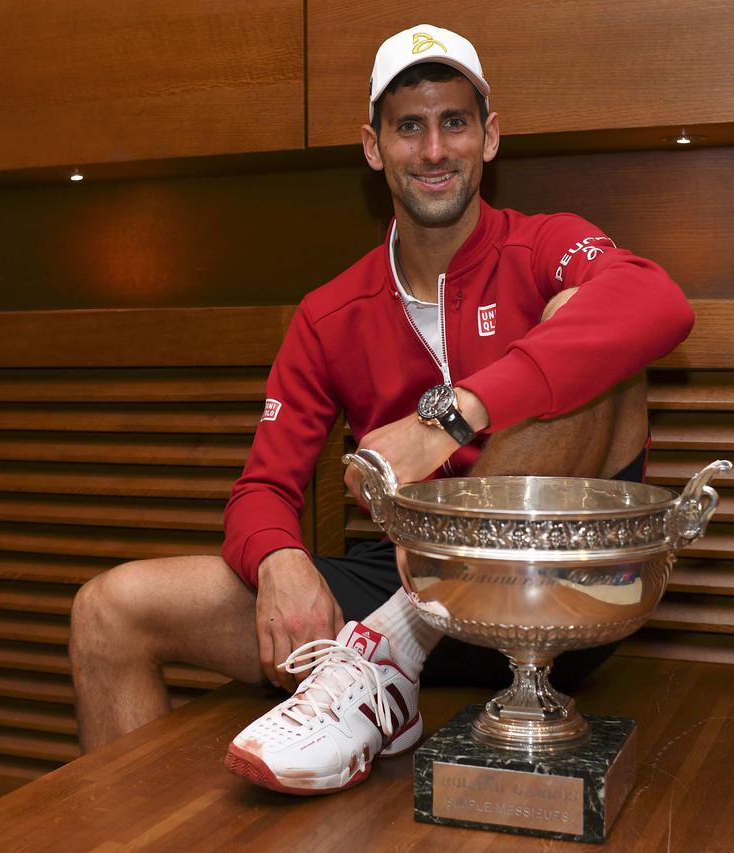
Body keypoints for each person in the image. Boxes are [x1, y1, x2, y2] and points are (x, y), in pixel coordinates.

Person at [69, 24, 694, 794]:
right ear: (374, 147)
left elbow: (658, 301)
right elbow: (262, 488)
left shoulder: (541, 246)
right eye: (409, 126)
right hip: (391, 583)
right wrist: (279, 559)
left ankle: (397, 643)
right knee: (109, 610)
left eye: (454, 122)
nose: (434, 150)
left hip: (549, 587)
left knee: (591, 325)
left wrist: (453, 417)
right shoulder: (331, 311)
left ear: (489, 136)